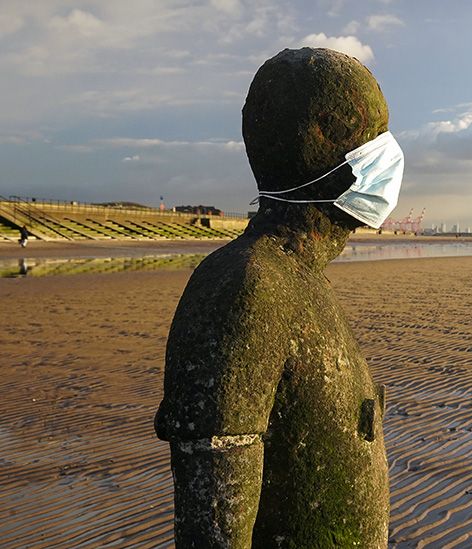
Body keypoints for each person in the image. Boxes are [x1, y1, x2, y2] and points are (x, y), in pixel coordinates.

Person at [155, 48, 391, 547]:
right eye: (376, 137)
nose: (390, 156)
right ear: (320, 140)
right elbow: (214, 528)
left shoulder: (299, 279)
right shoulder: (248, 289)